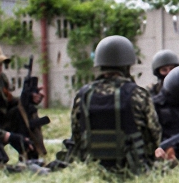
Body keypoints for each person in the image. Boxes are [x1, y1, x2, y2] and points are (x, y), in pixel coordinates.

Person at [66, 35, 161, 175]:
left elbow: (76, 135)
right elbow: (155, 134)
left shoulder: (83, 95)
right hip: (133, 170)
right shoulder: (138, 94)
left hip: (92, 170)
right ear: (127, 65)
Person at [0, 41, 46, 159]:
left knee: (23, 110)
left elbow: (9, 101)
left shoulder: (0, 80)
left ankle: (32, 155)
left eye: (0, 64)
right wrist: (7, 136)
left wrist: (28, 99)